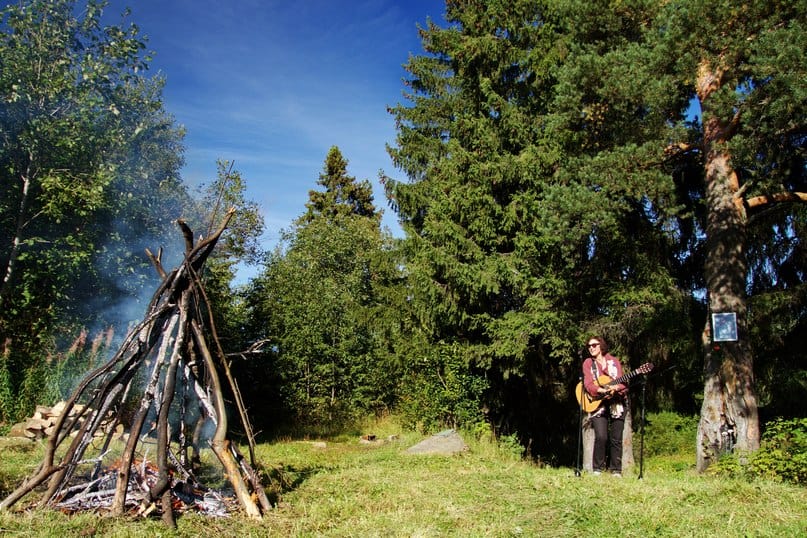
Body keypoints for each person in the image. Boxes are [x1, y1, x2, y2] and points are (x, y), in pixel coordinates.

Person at [582, 336, 628, 476]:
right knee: (601, 436)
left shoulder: (614, 362)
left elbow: (623, 384)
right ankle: (597, 469)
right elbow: (588, 384)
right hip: (598, 404)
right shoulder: (588, 363)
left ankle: (616, 470)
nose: (591, 348)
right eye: (589, 346)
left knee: (616, 438)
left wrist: (615, 389)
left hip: (616, 403)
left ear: (601, 346)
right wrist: (601, 390)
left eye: (594, 345)